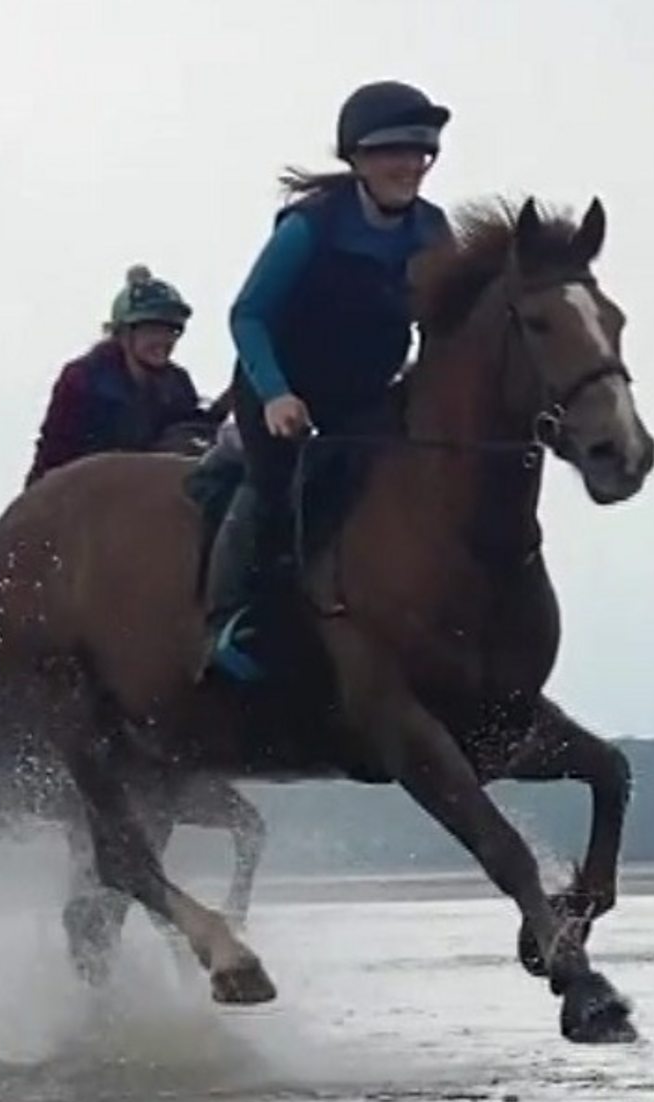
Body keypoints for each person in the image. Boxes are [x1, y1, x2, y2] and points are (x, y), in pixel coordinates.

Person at [202, 80, 454, 682]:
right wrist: (276, 395)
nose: (409, 166)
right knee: (275, 486)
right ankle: (228, 619)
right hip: (281, 391)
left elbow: (445, 325)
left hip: (365, 396)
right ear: (359, 159)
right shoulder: (310, 227)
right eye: (393, 152)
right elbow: (249, 314)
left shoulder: (434, 232)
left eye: (419, 153)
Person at [24, 266, 203, 486]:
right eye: (153, 330)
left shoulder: (178, 384)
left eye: (171, 331)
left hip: (147, 491)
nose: (164, 341)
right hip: (84, 494)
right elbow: (54, 453)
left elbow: (189, 435)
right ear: (124, 333)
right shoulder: (82, 379)